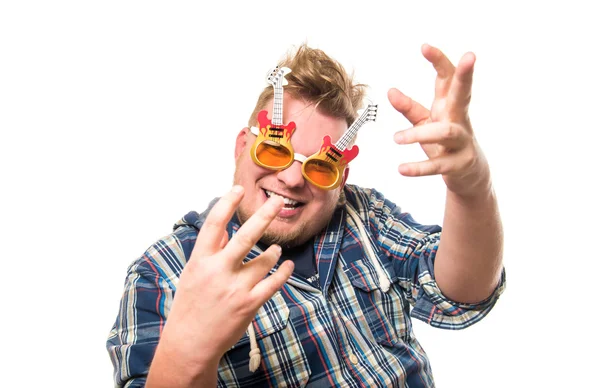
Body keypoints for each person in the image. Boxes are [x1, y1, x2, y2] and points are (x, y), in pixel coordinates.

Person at [107, 43, 505, 387]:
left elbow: (462, 293)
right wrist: (187, 349)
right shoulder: (163, 273)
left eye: (319, 166)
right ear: (242, 146)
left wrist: (472, 188)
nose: (292, 178)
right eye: (276, 151)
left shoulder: (366, 217)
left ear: (341, 178)